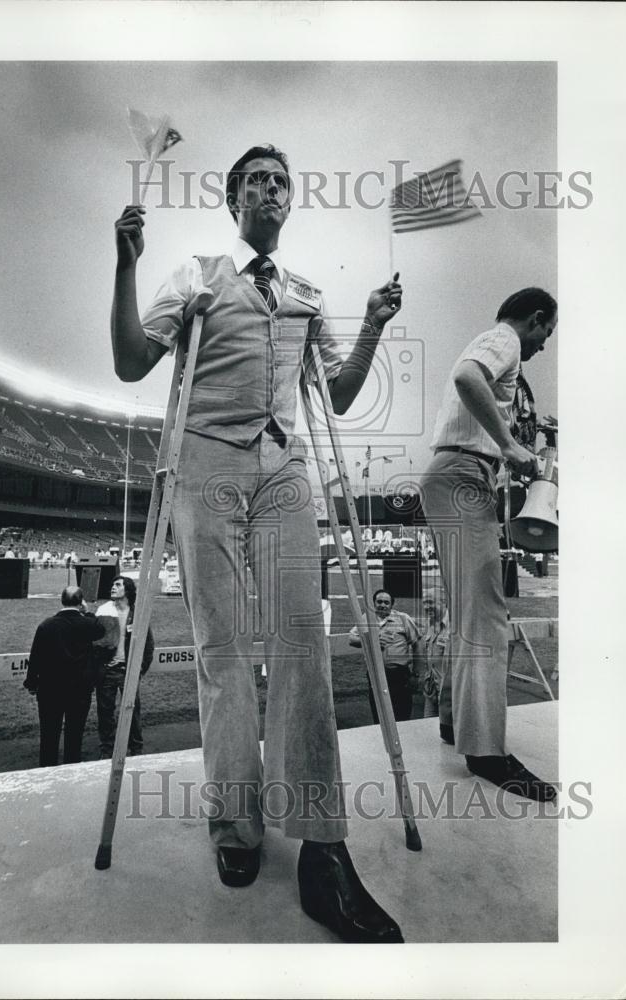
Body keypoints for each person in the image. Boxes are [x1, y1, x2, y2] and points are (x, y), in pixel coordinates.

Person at [111, 144, 405, 943]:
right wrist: (124, 266)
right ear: (233, 198)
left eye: (284, 181)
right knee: (223, 649)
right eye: (259, 181)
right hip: (206, 460)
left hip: (284, 466)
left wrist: (373, 326)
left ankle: (321, 844)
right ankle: (234, 823)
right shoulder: (199, 273)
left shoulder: (307, 293)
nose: (273, 190)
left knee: (302, 639)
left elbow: (336, 397)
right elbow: (132, 362)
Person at [420, 287, 557, 801]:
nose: (545, 343)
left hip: (455, 473)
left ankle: (457, 723)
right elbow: (465, 377)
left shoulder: (496, 340)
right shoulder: (505, 340)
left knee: (468, 611)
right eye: (548, 331)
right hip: (462, 473)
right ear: (537, 318)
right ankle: (487, 753)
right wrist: (508, 444)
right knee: (487, 615)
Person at [23, 586, 105, 766]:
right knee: (75, 734)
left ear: (62, 600)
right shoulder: (88, 624)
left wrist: (31, 682)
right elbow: (101, 630)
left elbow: (36, 656)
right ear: (81, 602)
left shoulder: (46, 625)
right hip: (80, 689)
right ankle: (71, 768)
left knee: (49, 734)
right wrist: (88, 612)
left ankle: (47, 768)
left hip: (50, 689)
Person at [93, 576, 154, 757]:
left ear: (127, 590)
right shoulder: (103, 611)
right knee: (105, 713)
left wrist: (139, 669)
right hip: (107, 672)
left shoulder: (137, 614)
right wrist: (99, 667)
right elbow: (94, 643)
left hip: (129, 672)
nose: (113, 587)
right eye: (112, 584)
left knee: (132, 711)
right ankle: (107, 749)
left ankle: (136, 747)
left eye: (117, 585)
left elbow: (148, 645)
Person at [348, 589, 422, 723]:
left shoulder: (403, 618)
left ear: (392, 605)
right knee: (379, 715)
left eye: (386, 602)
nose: (382, 605)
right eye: (379, 602)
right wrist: (371, 640)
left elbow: (417, 645)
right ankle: (382, 743)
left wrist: (416, 674)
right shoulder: (366, 618)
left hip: (399, 675)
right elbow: (352, 639)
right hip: (375, 675)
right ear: (374, 604)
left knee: (402, 715)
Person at [419, 588, 454, 744]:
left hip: (449, 696)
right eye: (424, 603)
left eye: (430, 602)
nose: (427, 607)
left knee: (448, 738)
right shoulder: (430, 623)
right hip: (431, 691)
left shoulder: (455, 627)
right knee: (428, 733)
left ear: (444, 602)